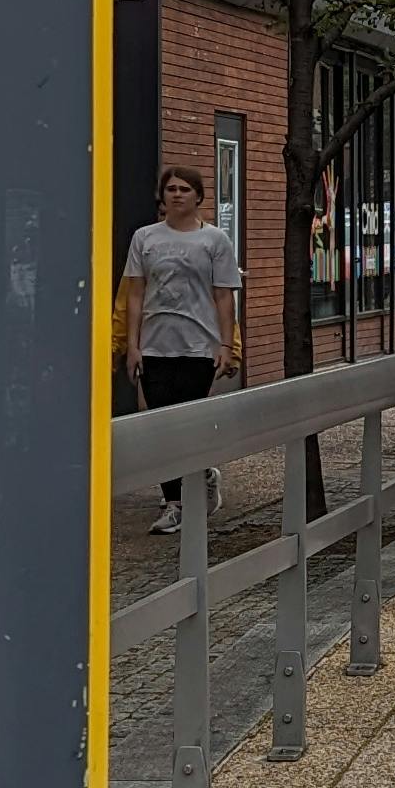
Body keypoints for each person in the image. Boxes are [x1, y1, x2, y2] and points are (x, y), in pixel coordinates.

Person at [118, 165, 243, 535]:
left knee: (187, 422)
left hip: (198, 345)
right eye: (170, 189)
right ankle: (174, 502)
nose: (176, 194)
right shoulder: (144, 238)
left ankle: (199, 480)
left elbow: (224, 296)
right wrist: (132, 345)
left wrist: (226, 345)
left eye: (184, 189)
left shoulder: (214, 241)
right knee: (159, 424)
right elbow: (135, 294)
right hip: (155, 345)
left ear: (198, 197)